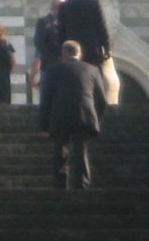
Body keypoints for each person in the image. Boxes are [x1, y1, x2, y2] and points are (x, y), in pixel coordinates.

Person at [39, 40, 109, 189]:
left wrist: (44, 125)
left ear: (64, 54)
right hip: (84, 114)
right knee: (81, 150)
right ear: (80, 55)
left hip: (60, 116)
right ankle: (82, 183)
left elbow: (45, 99)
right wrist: (95, 117)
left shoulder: (52, 70)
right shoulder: (92, 69)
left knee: (60, 150)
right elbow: (102, 99)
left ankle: (60, 184)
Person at [58, 0, 116, 104]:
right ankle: (97, 104)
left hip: (71, 51)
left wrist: (61, 52)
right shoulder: (94, 3)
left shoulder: (65, 6)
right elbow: (101, 27)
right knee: (94, 79)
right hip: (92, 50)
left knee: (74, 80)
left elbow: (61, 31)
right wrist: (107, 48)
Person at [28, 0, 64, 101]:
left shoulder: (66, 22)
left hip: (63, 66)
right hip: (49, 65)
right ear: (54, 8)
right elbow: (39, 45)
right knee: (47, 97)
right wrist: (54, 57)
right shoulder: (44, 22)